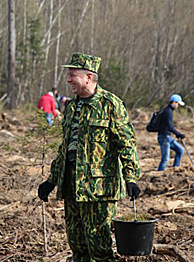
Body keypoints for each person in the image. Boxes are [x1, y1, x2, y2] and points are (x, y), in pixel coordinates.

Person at [37, 53, 141, 261]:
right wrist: (51, 181)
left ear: (89, 77)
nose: (68, 80)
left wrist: (131, 178)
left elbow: (126, 143)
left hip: (99, 189)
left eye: (73, 75)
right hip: (72, 186)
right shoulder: (72, 106)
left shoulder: (110, 104)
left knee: (100, 249)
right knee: (78, 246)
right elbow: (66, 148)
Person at [157, 94, 186, 171]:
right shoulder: (167, 112)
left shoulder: (168, 110)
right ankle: (159, 174)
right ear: (173, 102)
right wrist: (178, 134)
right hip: (164, 137)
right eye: (177, 104)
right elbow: (170, 126)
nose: (178, 106)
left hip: (168, 137)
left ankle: (175, 169)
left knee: (180, 150)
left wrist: (177, 134)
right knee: (165, 159)